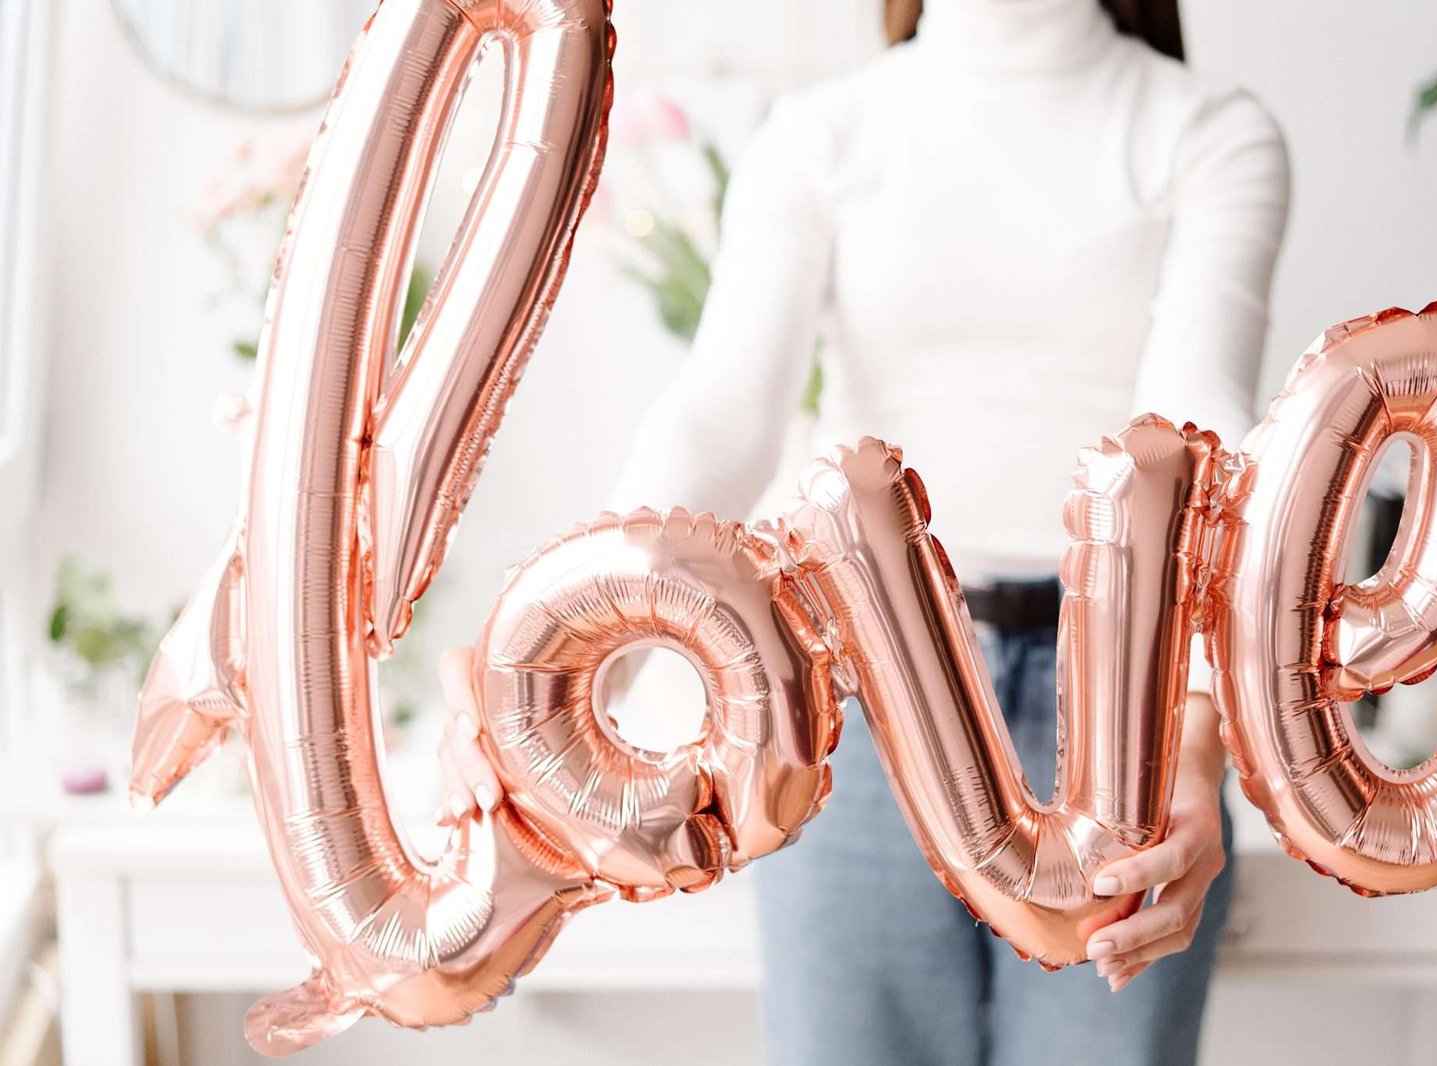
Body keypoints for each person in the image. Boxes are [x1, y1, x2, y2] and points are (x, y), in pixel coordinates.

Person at [436, 0, 1289, 1061]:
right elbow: (725, 411)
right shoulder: (821, 132)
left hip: (1122, 715)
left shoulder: (1205, 129)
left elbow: (1201, 431)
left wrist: (1194, 742)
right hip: (861, 703)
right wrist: (560, 666)